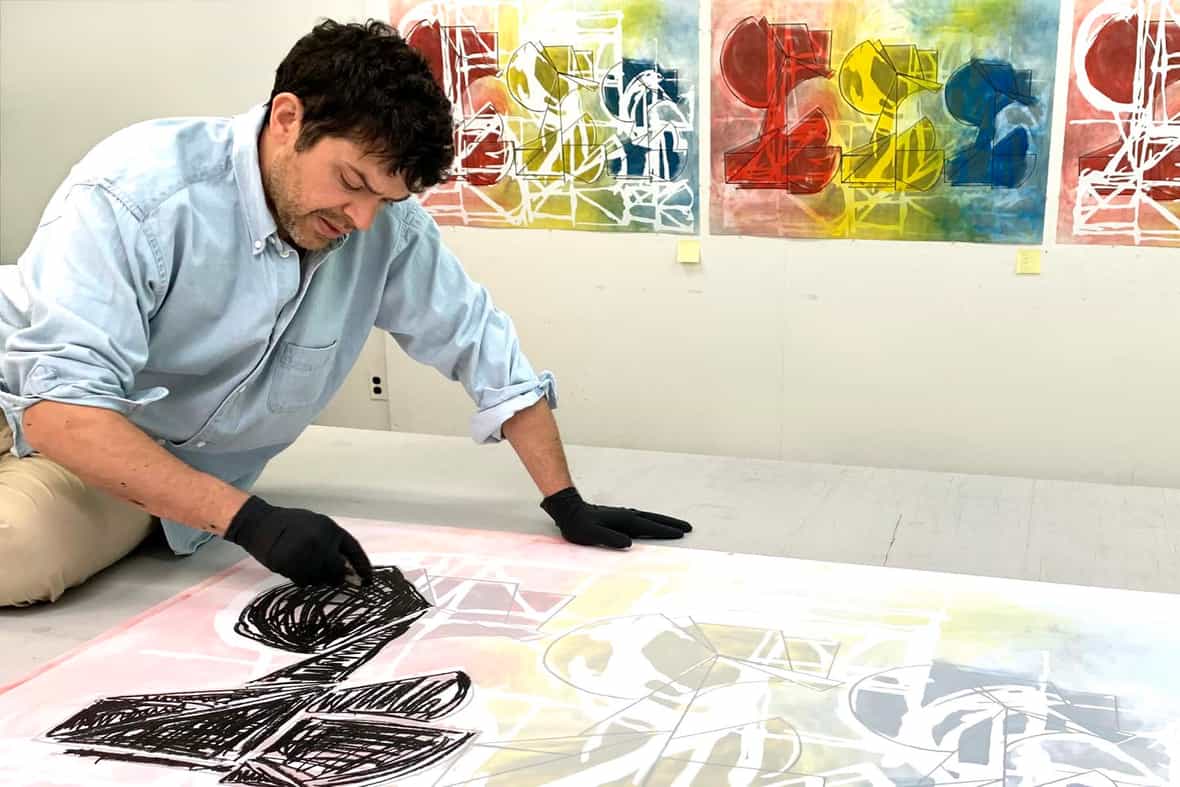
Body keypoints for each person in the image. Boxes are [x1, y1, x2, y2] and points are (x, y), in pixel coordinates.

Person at [0, 19, 692, 606]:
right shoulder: (138, 191)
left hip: (129, 453)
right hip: (47, 399)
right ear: (288, 118)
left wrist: (563, 500)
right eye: (352, 182)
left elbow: (482, 346)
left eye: (384, 200)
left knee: (19, 550)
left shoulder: (383, 228)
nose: (362, 220)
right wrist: (249, 519)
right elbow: (59, 407)